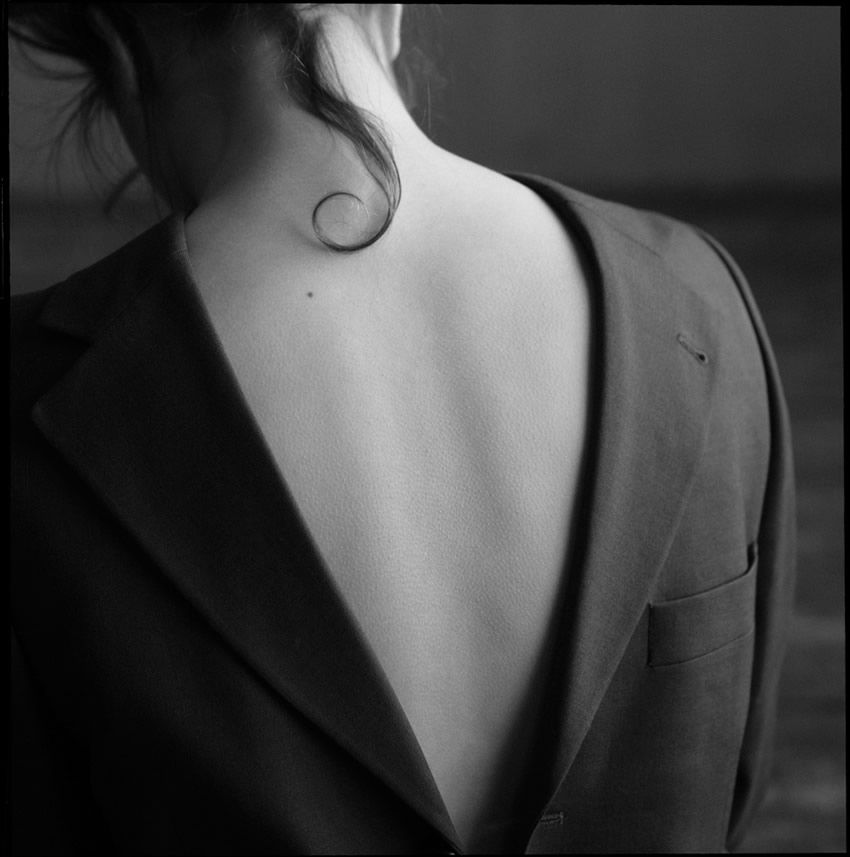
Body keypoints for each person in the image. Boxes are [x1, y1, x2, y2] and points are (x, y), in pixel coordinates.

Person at [9, 4, 796, 855]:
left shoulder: (36, 400)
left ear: (118, 51)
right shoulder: (700, 296)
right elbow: (732, 781)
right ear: (387, 9)